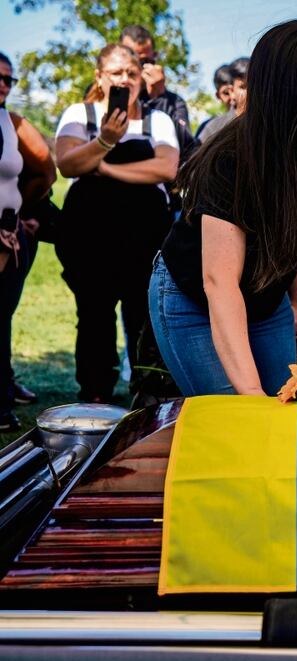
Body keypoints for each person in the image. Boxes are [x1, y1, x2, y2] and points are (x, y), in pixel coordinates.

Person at [149, 20, 297, 396]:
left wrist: (293, 301)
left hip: (266, 297)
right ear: (278, 100)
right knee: (239, 418)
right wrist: (252, 398)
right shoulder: (230, 159)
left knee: (285, 407)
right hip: (195, 299)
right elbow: (219, 283)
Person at [55, 43, 179, 403]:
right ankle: (94, 394)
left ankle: (146, 391)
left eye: (132, 73)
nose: (125, 79)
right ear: (100, 77)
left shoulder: (159, 120)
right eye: (116, 73)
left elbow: (166, 167)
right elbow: (68, 163)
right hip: (89, 236)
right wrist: (106, 139)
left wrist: (105, 166)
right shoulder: (80, 114)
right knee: (93, 316)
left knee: (145, 318)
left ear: (141, 78)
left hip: (144, 237)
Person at [0, 52, 56, 429]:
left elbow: (45, 169)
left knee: (2, 314)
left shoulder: (11, 122)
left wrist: (25, 210)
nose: (4, 84)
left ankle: (2, 396)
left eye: (9, 79)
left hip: (8, 233)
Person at [197, 57, 249, 144]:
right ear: (231, 91)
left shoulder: (270, 122)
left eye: (254, 85)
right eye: (243, 87)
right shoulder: (213, 129)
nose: (250, 92)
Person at [194, 63, 233, 141]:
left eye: (240, 88)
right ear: (218, 96)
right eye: (226, 92)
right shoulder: (209, 128)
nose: (233, 96)